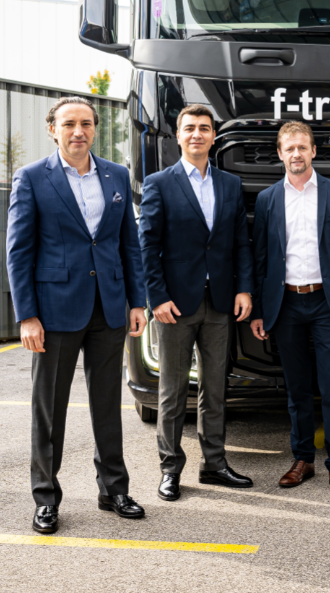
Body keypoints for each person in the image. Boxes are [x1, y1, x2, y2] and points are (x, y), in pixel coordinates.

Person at [6, 96, 148, 533]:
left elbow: (129, 245)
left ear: (95, 129)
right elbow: (19, 251)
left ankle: (114, 489)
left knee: (107, 405)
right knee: (49, 409)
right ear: (53, 129)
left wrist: (137, 301)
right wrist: (27, 316)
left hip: (109, 307)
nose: (78, 131)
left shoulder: (116, 175)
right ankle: (46, 498)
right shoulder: (32, 177)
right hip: (54, 311)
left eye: (86, 123)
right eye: (69, 124)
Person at [138, 104, 255, 502]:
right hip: (175, 303)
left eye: (204, 128)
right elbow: (147, 246)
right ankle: (170, 470)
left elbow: (240, 242)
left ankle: (215, 465)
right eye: (189, 128)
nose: (197, 135)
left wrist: (244, 289)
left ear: (213, 137)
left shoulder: (230, 184)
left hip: (220, 301)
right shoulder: (159, 183)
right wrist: (157, 298)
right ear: (178, 135)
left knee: (215, 387)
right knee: (172, 391)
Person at [249, 121, 330, 497]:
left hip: (326, 303)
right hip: (285, 304)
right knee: (297, 388)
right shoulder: (267, 199)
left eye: (303, 147)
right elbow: (260, 259)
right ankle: (302, 459)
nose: (296, 154)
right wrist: (258, 310)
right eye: (290, 148)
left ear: (313, 151)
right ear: (280, 154)